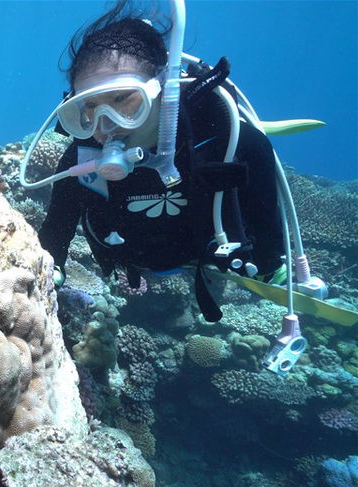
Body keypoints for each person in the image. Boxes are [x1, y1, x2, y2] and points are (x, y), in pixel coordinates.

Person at [37, 1, 286, 320]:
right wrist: (47, 273)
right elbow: (55, 234)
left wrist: (268, 261)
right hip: (131, 257)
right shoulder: (83, 157)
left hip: (207, 255)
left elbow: (264, 213)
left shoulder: (224, 137)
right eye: (89, 108)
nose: (106, 124)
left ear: (163, 91)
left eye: (123, 100)